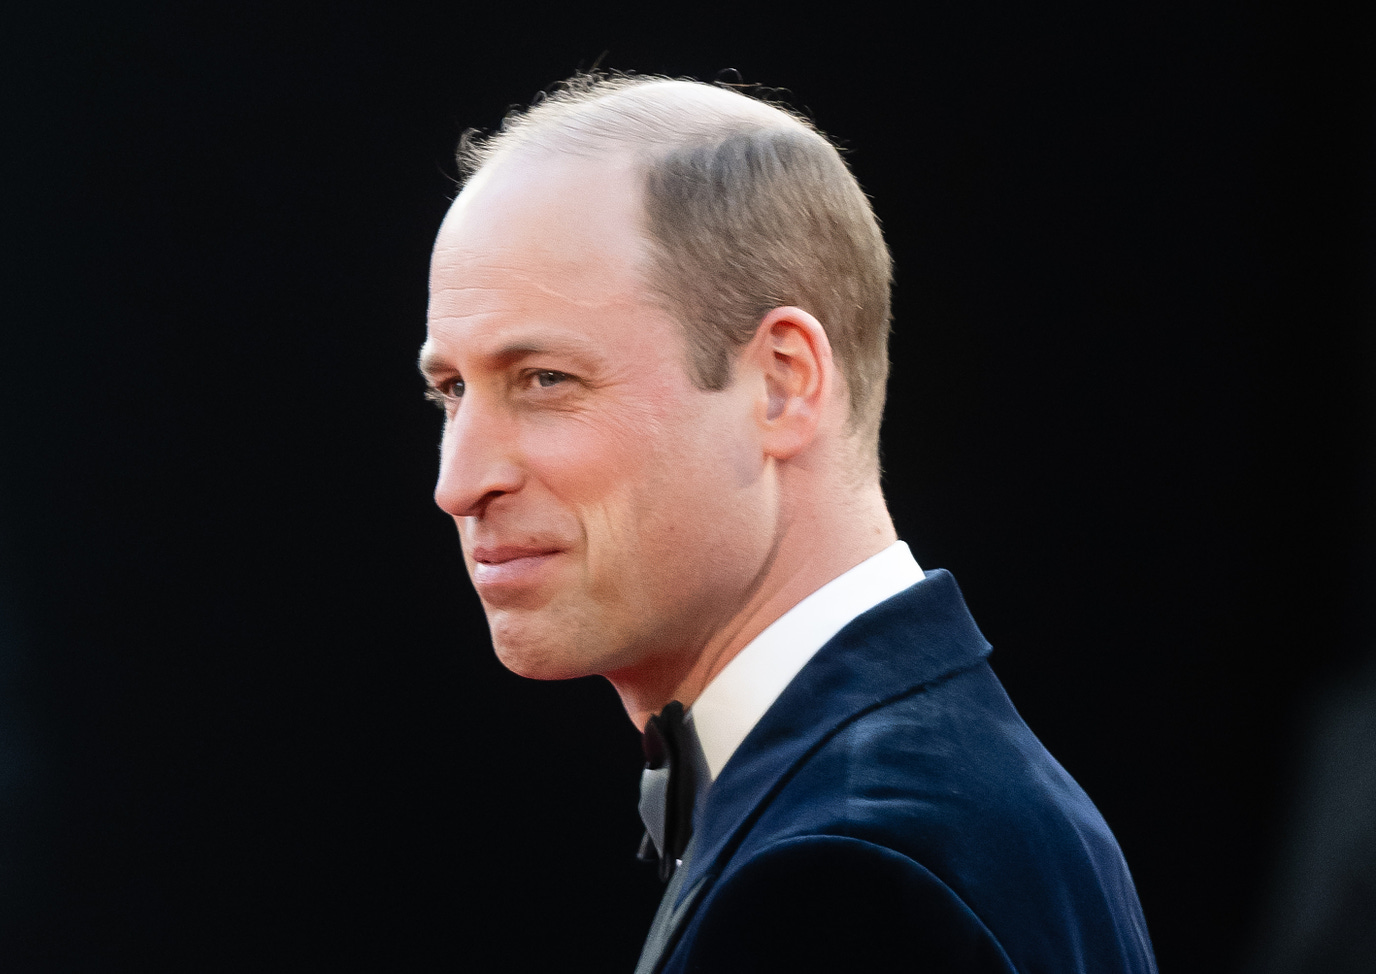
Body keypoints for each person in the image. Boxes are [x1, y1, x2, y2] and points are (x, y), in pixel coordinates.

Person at [419, 73, 1157, 973]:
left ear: (782, 382)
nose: (460, 483)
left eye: (545, 380)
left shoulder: (848, 874)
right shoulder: (925, 795)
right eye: (452, 390)